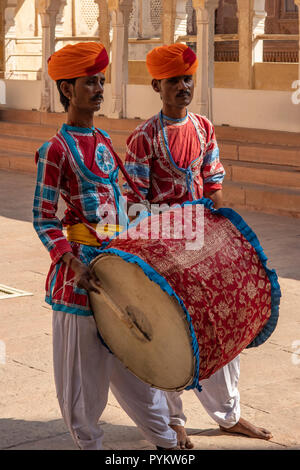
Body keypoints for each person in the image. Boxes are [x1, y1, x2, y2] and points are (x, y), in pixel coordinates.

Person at [123, 43, 273, 449]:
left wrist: (228, 240)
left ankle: (229, 415)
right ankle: (174, 423)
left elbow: (214, 186)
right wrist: (157, 252)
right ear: (157, 85)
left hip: (205, 244)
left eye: (187, 78)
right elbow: (134, 204)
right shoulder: (142, 138)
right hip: (163, 250)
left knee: (223, 327)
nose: (183, 86)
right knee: (170, 336)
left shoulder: (204, 128)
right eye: (174, 80)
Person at [32, 41, 178, 451]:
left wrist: (157, 232)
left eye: (100, 81)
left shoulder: (103, 141)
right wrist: (72, 262)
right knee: (83, 389)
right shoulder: (55, 151)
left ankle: (166, 441)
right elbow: (44, 218)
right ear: (67, 90)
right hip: (79, 284)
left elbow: (125, 203)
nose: (98, 89)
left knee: (136, 373)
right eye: (89, 82)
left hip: (119, 274)